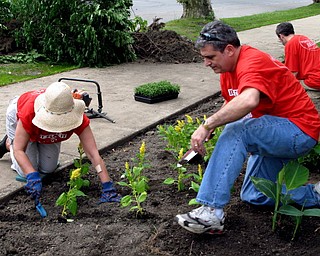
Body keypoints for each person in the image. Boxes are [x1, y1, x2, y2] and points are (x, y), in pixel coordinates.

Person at [174, 20, 320, 235]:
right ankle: (315, 194)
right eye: (204, 57)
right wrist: (214, 128)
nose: (206, 63)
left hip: (298, 130)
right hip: (275, 131)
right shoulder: (227, 70)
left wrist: (207, 125)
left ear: (230, 50)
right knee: (255, 194)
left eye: (210, 57)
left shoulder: (252, 62)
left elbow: (249, 100)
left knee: (239, 130)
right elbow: (233, 101)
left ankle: (211, 211)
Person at [0, 81, 121, 205]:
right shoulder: (29, 112)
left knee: (48, 169)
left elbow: (93, 153)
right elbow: (19, 150)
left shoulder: (77, 116)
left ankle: (37, 143)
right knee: (25, 171)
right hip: (21, 121)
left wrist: (107, 186)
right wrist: (32, 176)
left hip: (44, 134)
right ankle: (8, 144)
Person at [276, 22, 320, 91]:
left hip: (315, 80)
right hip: (317, 74)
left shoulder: (290, 44)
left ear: (281, 36)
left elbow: (293, 73)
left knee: (291, 86)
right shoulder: (303, 38)